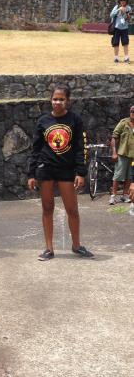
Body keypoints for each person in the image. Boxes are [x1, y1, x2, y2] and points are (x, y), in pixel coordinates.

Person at [28, 85, 93, 261]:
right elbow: (36, 149)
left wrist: (81, 172)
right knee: (47, 208)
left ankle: (77, 246)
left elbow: (81, 147)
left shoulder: (75, 120)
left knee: (72, 209)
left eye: (61, 99)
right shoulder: (43, 121)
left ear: (68, 101)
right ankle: (49, 249)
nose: (57, 102)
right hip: (45, 168)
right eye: (55, 99)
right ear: (51, 100)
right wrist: (32, 173)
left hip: (66, 169)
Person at [109, 105, 134, 205]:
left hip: (133, 156)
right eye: (132, 111)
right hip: (122, 154)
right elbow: (114, 137)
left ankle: (125, 195)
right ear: (130, 112)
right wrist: (114, 152)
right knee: (118, 175)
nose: (133, 113)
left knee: (129, 176)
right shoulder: (124, 123)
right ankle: (113, 196)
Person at [110, 0, 131, 64]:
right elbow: (111, 15)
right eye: (121, 0)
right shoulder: (116, 7)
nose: (123, 1)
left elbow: (129, 18)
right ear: (119, 0)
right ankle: (116, 57)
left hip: (125, 28)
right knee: (115, 43)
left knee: (125, 43)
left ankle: (126, 57)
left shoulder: (128, 8)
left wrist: (125, 12)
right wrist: (119, 10)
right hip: (116, 28)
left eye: (124, 0)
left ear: (126, 1)